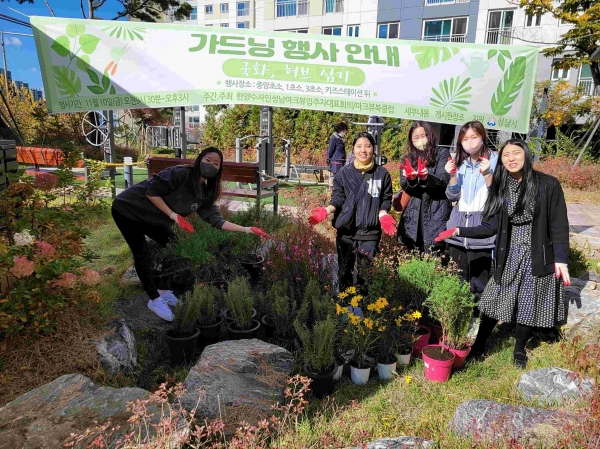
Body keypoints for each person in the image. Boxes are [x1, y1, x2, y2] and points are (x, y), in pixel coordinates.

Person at [435, 139, 570, 368]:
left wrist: (561, 259)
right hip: (509, 253)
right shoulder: (500, 187)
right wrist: (458, 229)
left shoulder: (548, 185)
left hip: (537, 254)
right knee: (492, 300)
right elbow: (490, 226)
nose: (511, 158)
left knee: (528, 303)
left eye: (516, 153)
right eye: (506, 155)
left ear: (526, 156)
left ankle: (519, 349)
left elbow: (559, 225)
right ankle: (479, 345)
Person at [111, 147, 270, 322]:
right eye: (207, 160)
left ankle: (163, 290)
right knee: (142, 253)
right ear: (199, 160)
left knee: (173, 244)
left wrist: (247, 229)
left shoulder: (204, 193)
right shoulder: (180, 174)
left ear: (218, 170)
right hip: (128, 209)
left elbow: (217, 222)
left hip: (151, 218)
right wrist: (175, 216)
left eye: (216, 163)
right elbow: (152, 192)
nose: (210, 165)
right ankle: (154, 299)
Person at [309, 132, 395, 292]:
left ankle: (364, 311)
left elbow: (386, 199)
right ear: (353, 149)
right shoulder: (344, 173)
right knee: (344, 273)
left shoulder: (382, 174)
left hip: (370, 233)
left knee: (366, 276)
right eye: (359, 146)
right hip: (346, 233)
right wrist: (327, 210)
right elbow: (338, 198)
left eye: (368, 146)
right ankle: (344, 309)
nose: (364, 150)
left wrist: (383, 214)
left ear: (374, 149)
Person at [444, 121, 498, 306]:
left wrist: (488, 174)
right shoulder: (462, 164)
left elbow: (498, 198)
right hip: (457, 228)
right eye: (465, 139)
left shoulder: (496, 161)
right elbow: (452, 195)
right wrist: (452, 176)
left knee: (479, 282)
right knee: (457, 280)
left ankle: (477, 321)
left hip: (481, 229)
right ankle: (458, 320)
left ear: (483, 137)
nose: (469, 142)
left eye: (474, 137)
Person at [397, 121, 451, 254]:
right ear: (411, 140)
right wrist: (411, 179)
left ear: (430, 135)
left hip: (436, 212)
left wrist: (426, 178)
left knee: (433, 255)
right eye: (416, 137)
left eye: (423, 135)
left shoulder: (442, 153)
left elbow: (443, 179)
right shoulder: (407, 158)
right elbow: (404, 185)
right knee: (413, 255)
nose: (420, 140)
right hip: (413, 214)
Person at [326, 122, 349, 187]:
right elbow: (330, 150)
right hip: (336, 162)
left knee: (341, 179)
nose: (345, 133)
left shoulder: (340, 139)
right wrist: (328, 159)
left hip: (341, 161)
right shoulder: (334, 138)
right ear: (340, 130)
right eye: (344, 131)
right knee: (337, 179)